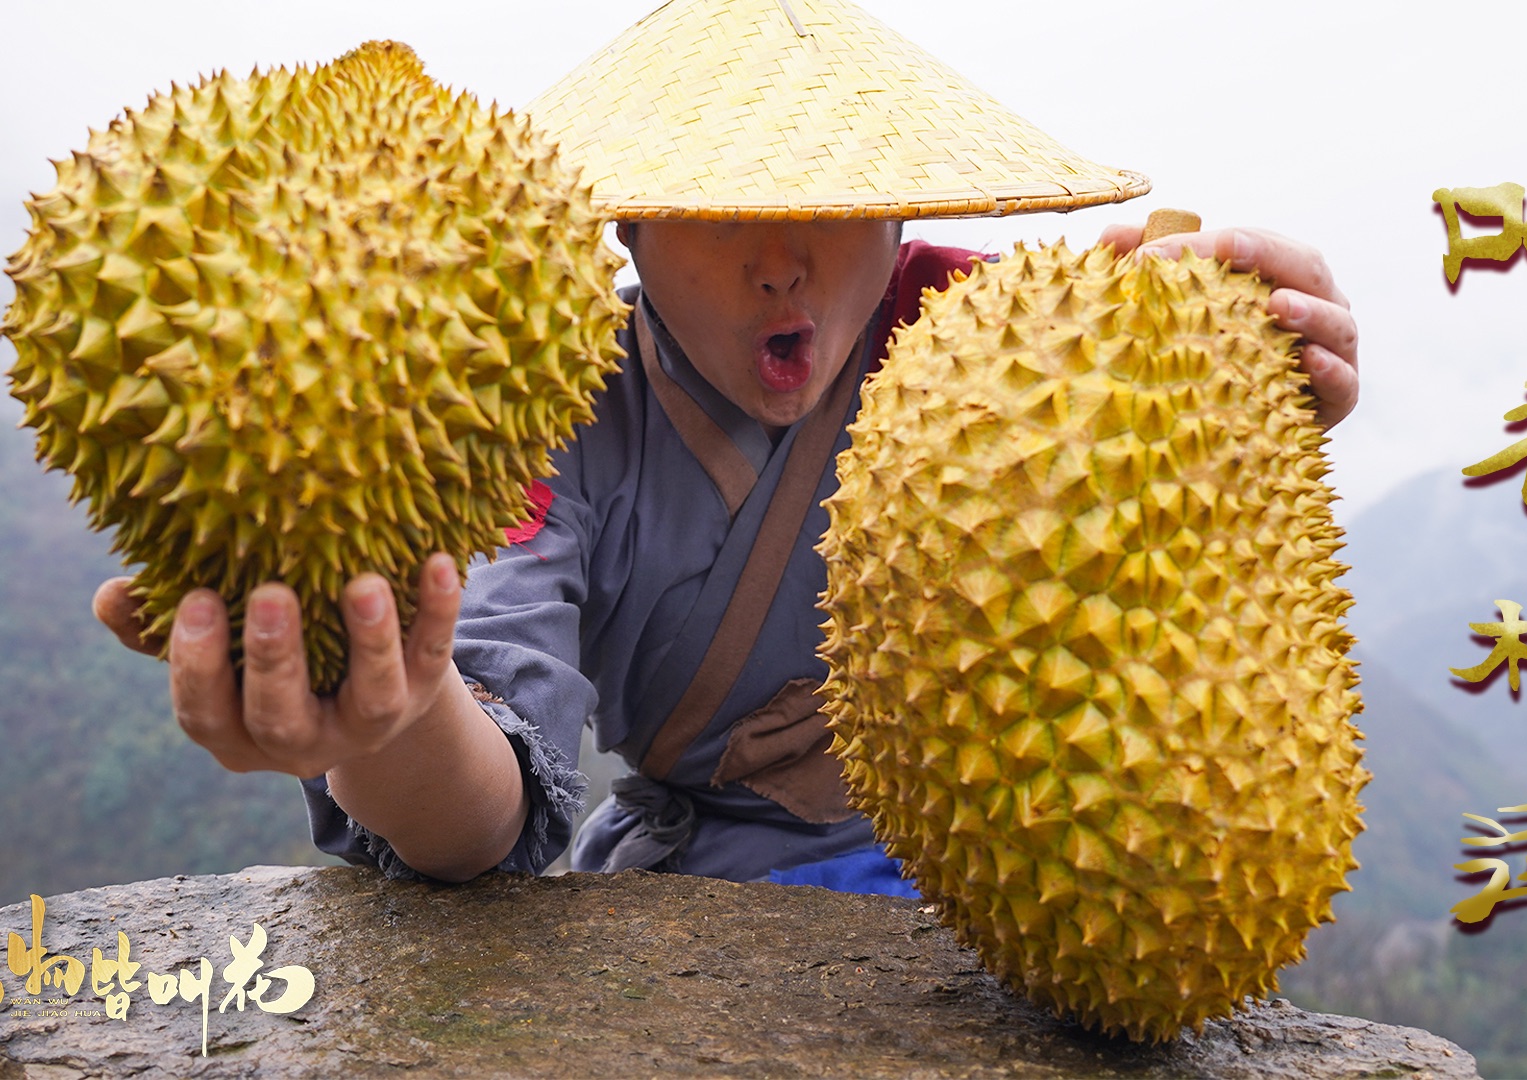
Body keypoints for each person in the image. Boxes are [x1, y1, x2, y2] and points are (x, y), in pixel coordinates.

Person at [93, 0, 1359, 891]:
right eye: (716, 208)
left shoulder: (993, 340)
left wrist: (1240, 368)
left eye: (834, 197)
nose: (781, 262)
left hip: (1015, 872)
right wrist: (385, 721)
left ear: (902, 207)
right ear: (628, 232)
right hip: (705, 889)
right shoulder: (549, 419)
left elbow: (1168, 604)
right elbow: (484, 810)